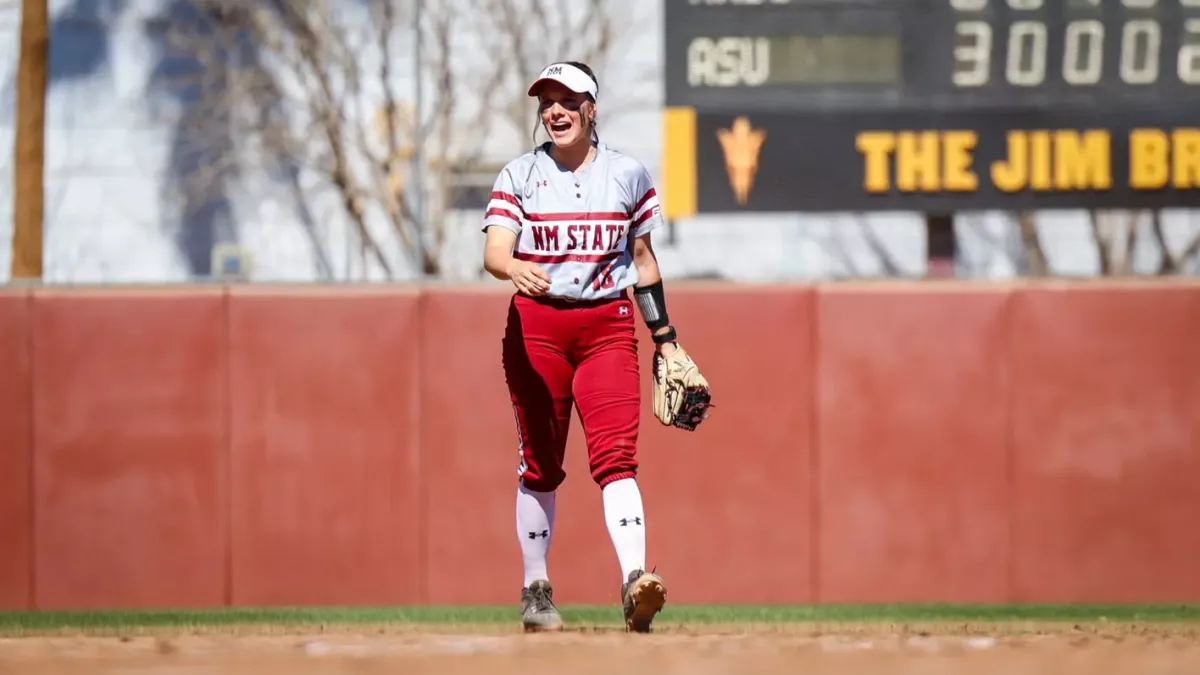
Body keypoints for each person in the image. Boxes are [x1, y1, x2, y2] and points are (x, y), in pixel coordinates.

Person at [480, 60, 687, 634]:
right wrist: (512, 267)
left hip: (606, 327)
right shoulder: (521, 174)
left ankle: (635, 582)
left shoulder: (626, 174)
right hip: (537, 327)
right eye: (547, 101)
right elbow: (494, 252)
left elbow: (643, 262)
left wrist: (666, 340)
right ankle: (536, 588)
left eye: (568, 100)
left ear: (592, 108)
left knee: (616, 457)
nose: (555, 110)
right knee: (541, 462)